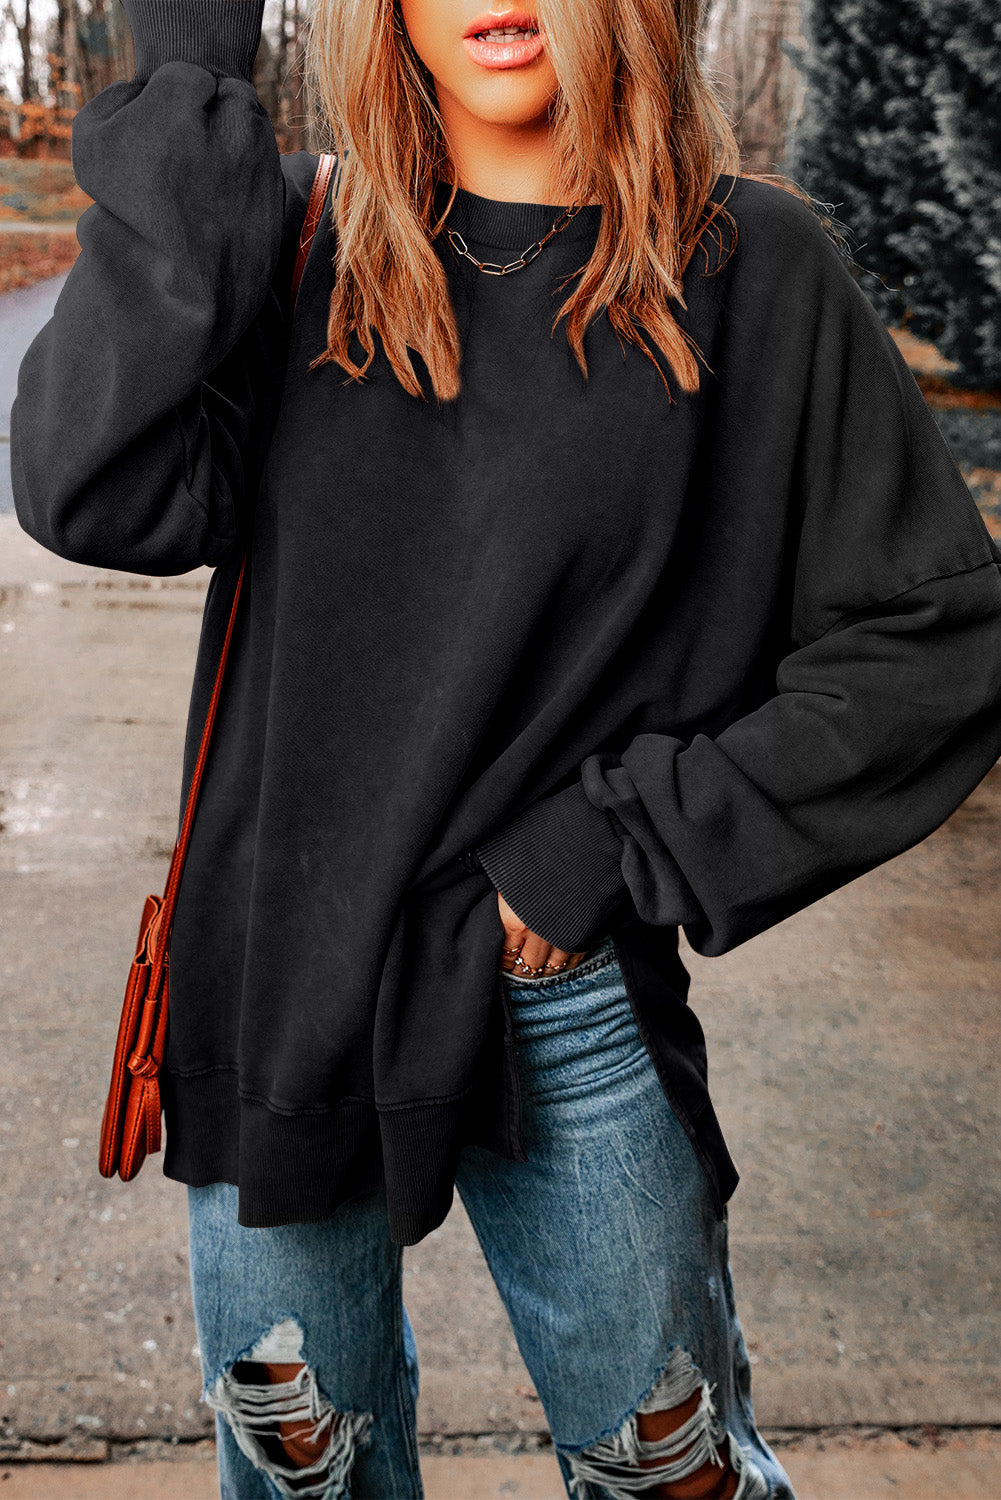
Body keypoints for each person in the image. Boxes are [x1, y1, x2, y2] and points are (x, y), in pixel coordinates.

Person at [12, 0, 1001, 1495]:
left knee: (668, 1475)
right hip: (283, 982)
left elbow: (936, 638)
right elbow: (88, 484)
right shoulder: (293, 241)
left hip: (565, 999)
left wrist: (612, 846)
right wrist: (192, 79)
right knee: (308, 1480)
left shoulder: (751, 266)